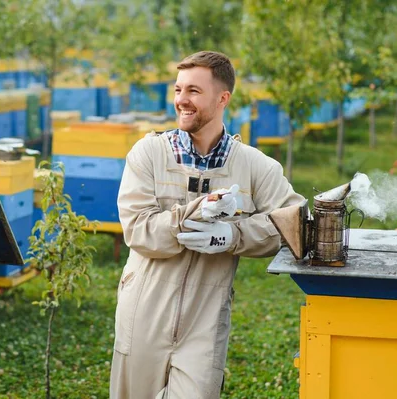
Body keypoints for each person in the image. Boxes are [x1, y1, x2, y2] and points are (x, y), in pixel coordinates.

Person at [109, 51, 305, 398]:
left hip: (206, 316)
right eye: (178, 89)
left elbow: (294, 222)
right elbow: (138, 230)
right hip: (145, 309)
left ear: (223, 98)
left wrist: (234, 235)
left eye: (194, 91)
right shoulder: (148, 154)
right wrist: (193, 215)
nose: (182, 100)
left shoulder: (255, 166)